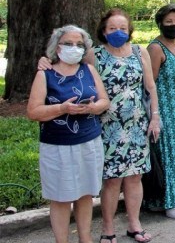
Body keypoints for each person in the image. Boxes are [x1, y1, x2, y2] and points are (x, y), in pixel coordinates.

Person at [27, 25, 110, 243]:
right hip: (57, 147)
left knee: (85, 195)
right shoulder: (45, 74)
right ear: (57, 47)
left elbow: (104, 101)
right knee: (61, 198)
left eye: (79, 44)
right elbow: (33, 112)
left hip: (89, 142)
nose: (74, 48)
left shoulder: (89, 70)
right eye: (68, 43)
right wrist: (61, 109)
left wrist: (93, 108)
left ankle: (85, 239)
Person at [95, 9, 160, 243]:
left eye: (123, 28)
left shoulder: (138, 52)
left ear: (129, 30)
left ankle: (134, 224)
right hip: (107, 127)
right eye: (112, 28)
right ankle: (107, 228)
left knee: (134, 177)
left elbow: (151, 88)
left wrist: (155, 117)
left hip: (136, 126)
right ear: (104, 30)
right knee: (111, 180)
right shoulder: (95, 55)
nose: (118, 32)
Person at [145, 4, 175, 220]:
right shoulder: (156, 48)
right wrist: (155, 115)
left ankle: (173, 198)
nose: (174, 25)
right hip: (164, 111)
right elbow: (149, 84)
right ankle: (171, 204)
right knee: (168, 155)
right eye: (169, 21)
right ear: (160, 22)